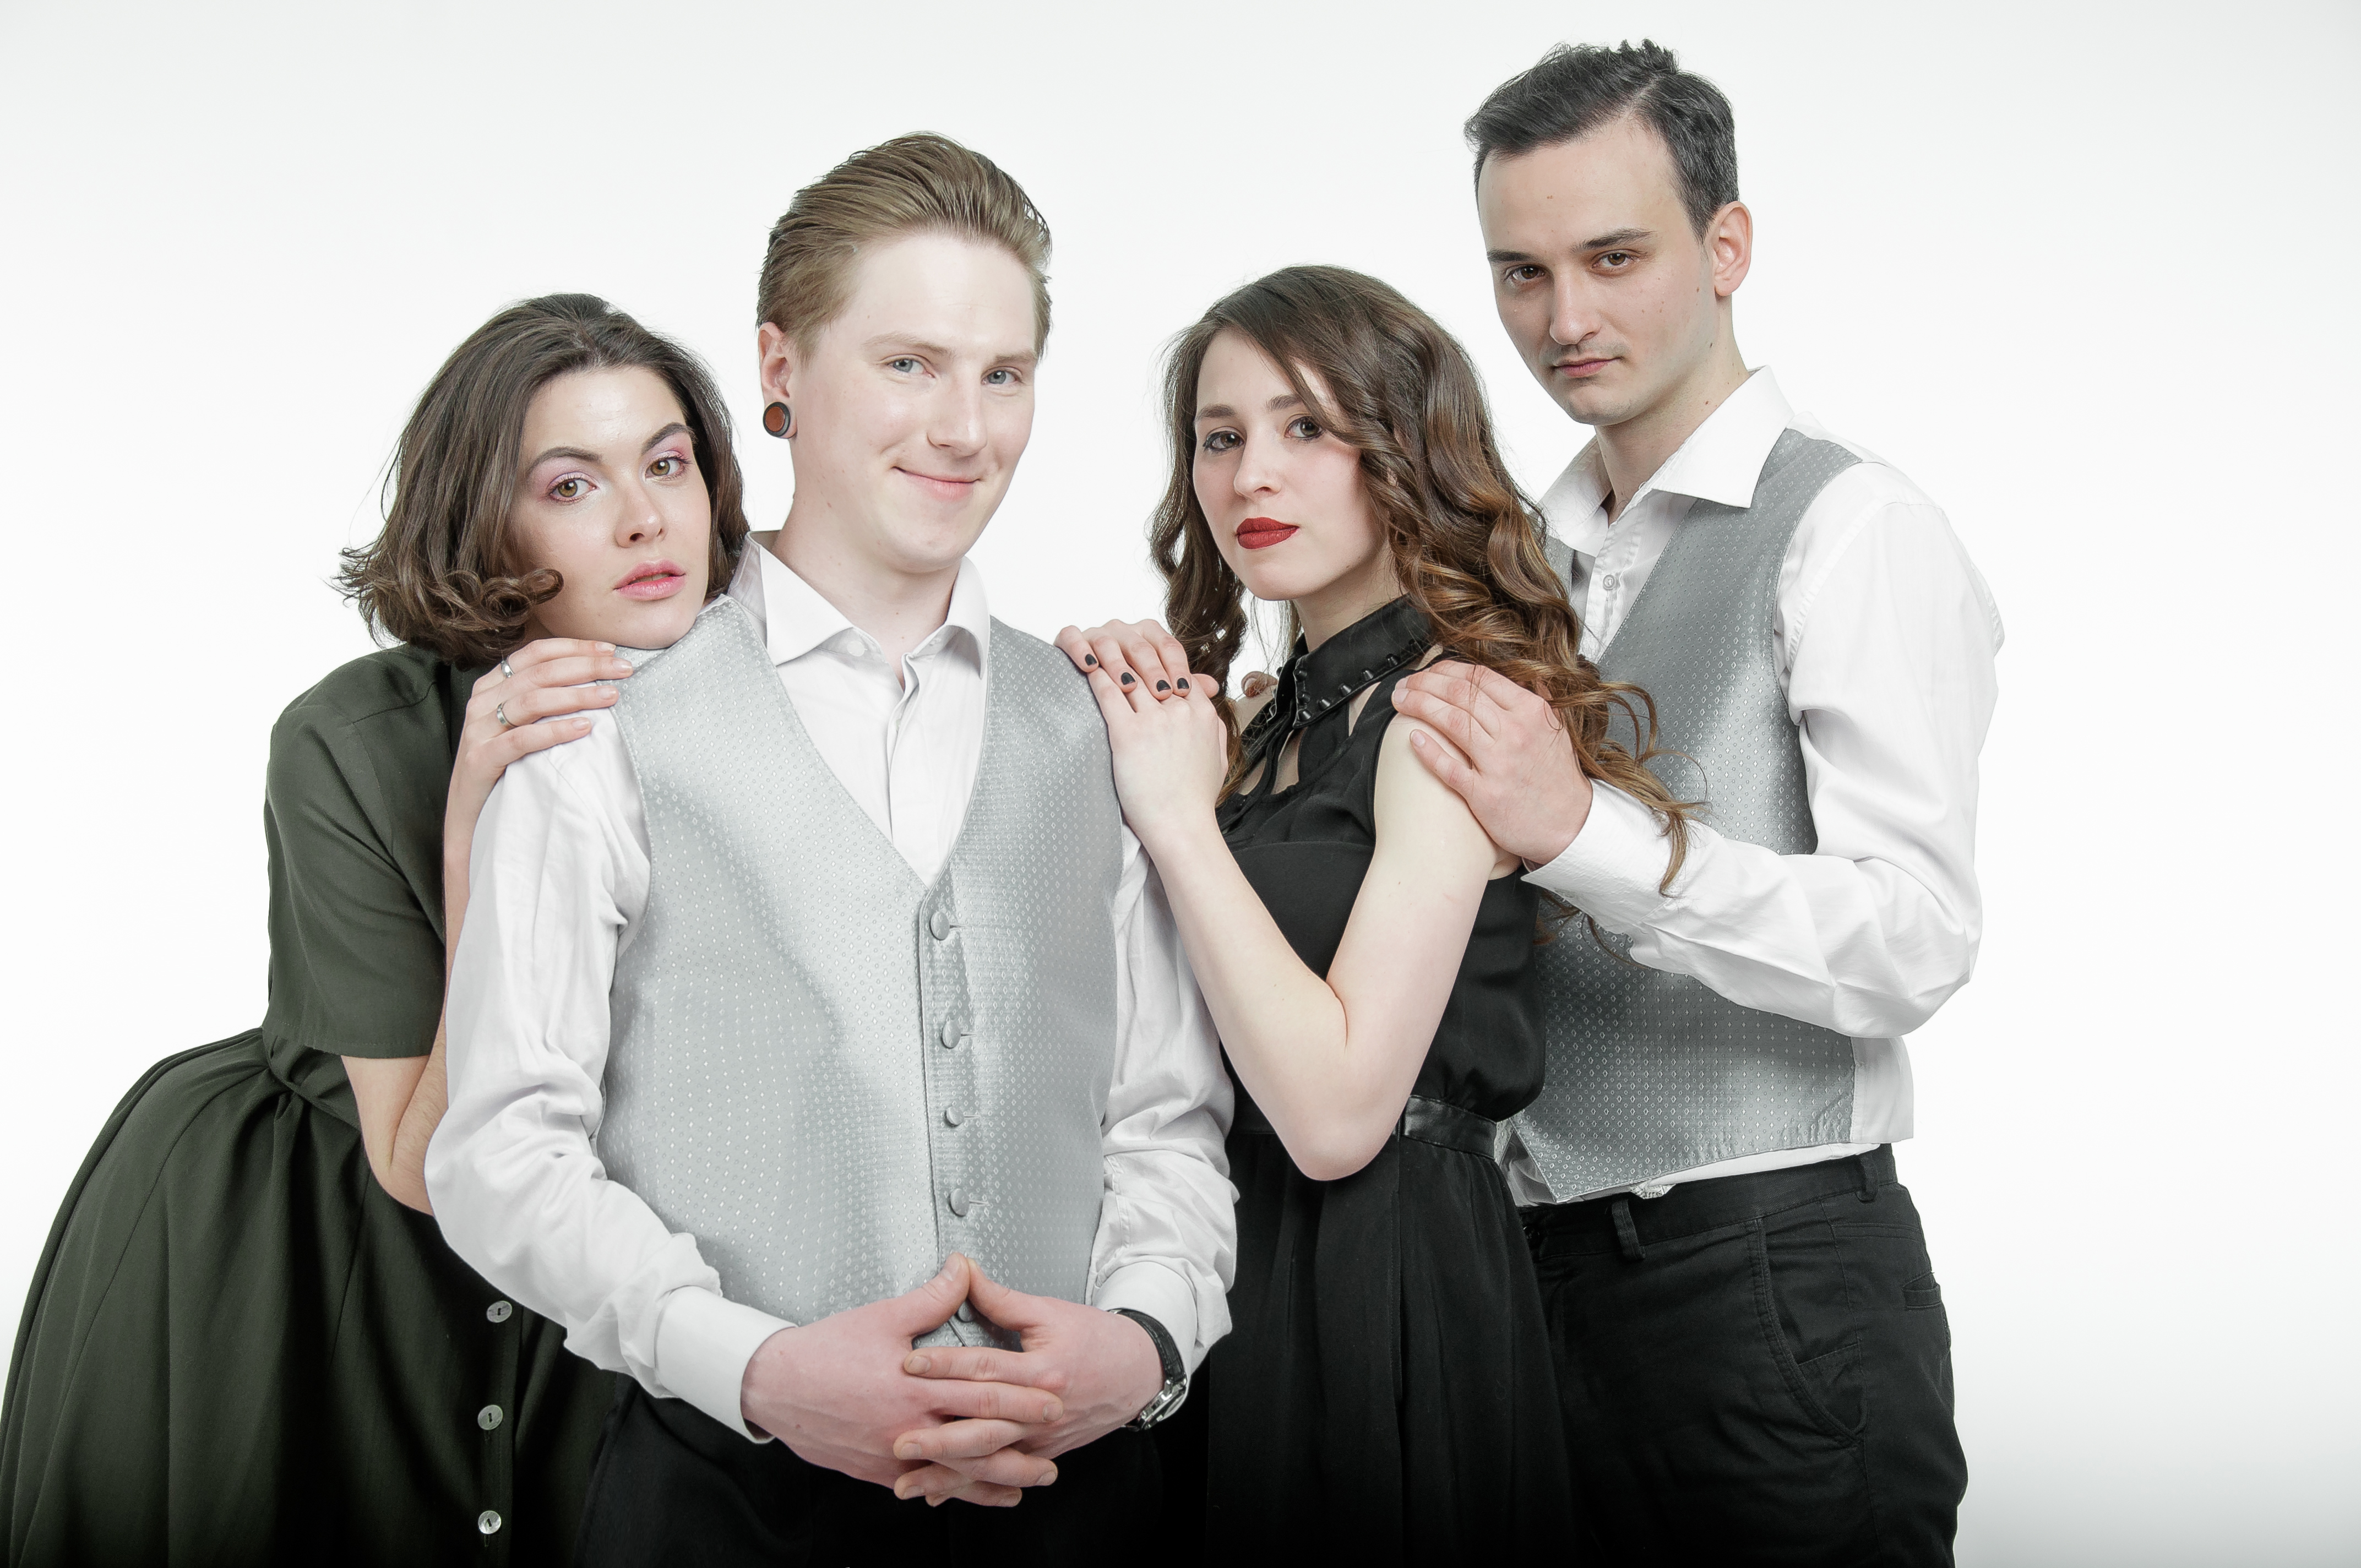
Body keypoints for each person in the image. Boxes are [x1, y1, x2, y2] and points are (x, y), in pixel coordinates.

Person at [425, 133, 1237, 1563]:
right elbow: (503, 1149)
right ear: (780, 368)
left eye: (1004, 374)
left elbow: (1162, 1120)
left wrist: (1148, 1339)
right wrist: (750, 1365)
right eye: (909, 364)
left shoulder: (1102, 722)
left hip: (1082, 1507)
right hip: (719, 1508)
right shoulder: (596, 726)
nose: (964, 428)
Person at [1372, 41, 1999, 1563]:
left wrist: (1581, 836)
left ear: (1726, 248)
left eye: (1613, 258)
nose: (1562, 320)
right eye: (1520, 273)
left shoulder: (1850, 529)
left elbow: (1914, 939)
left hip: (1766, 1276)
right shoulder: (1518, 560)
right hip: (1524, 1286)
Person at [0, 292, 746, 1564]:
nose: (644, 518)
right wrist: (474, 834)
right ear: (486, 521)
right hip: (319, 1237)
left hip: (607, 1238)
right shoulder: (348, 739)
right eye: (571, 485)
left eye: (667, 463)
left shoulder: (764, 705)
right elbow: (422, 1160)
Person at [1056, 264, 1694, 1559]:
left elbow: (1339, 1114)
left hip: (1374, 1277)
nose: (1250, 476)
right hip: (1207, 1259)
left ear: (1402, 446)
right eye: (1219, 437)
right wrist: (1085, 725)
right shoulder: (1257, 727)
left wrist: (1176, 818)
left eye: (1306, 427)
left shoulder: (1445, 719)